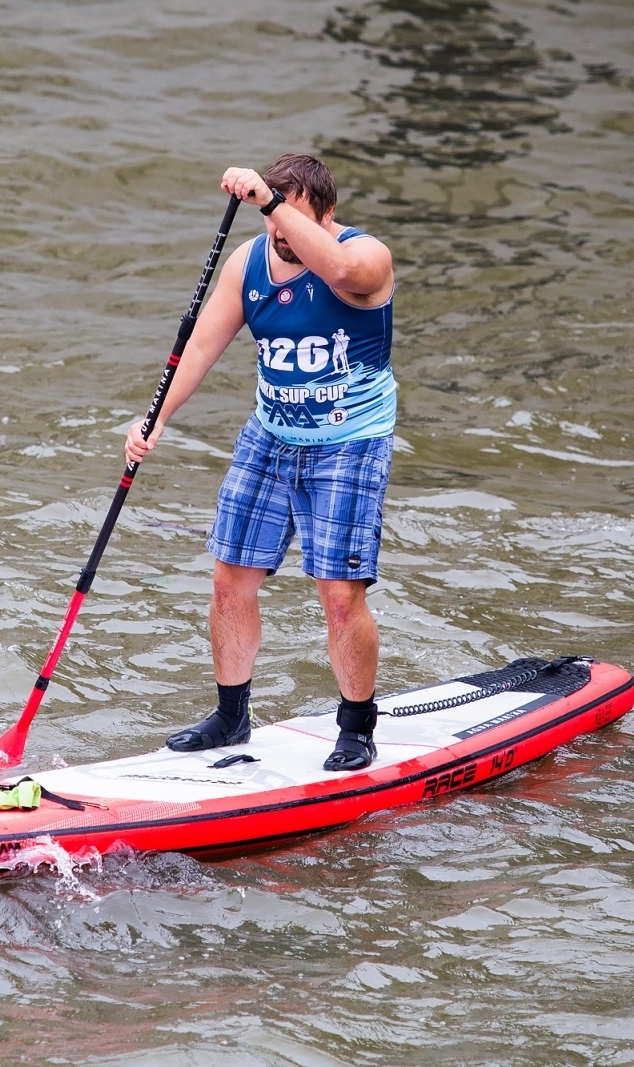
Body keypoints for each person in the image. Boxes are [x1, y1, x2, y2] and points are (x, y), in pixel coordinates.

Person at [124, 153, 396, 771]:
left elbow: (337, 267)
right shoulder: (249, 263)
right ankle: (230, 715)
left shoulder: (366, 258)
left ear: (327, 214)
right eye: (272, 225)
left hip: (349, 442)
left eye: (293, 222)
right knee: (229, 581)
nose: (281, 237)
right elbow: (202, 343)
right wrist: (157, 416)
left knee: (338, 595)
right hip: (270, 436)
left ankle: (356, 728)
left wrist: (274, 205)